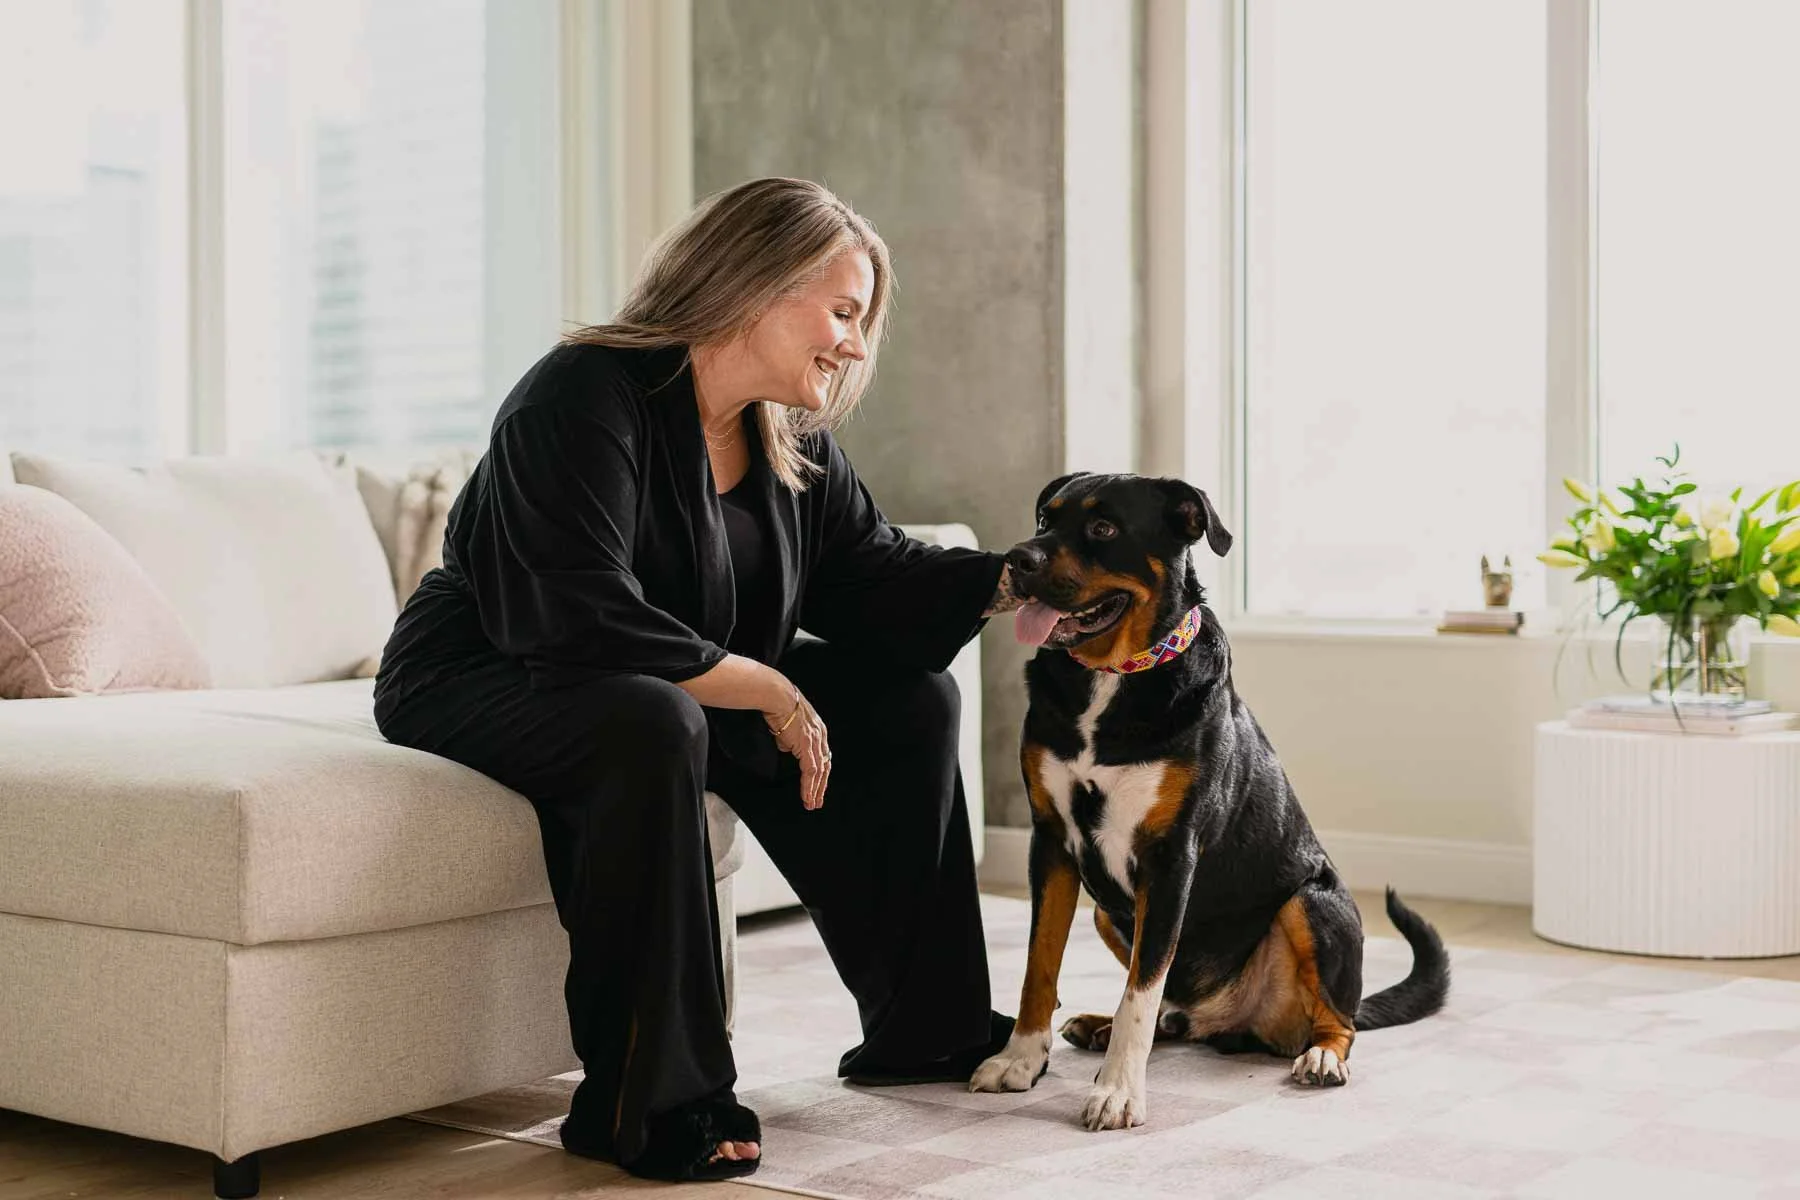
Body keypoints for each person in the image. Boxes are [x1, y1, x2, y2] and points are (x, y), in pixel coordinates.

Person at [372, 177, 1023, 1183]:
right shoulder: (582, 392)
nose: (855, 344)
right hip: (494, 664)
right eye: (843, 312)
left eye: (863, 322)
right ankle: (651, 1099)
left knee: (910, 702)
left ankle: (928, 1027)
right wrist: (764, 688)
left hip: (662, 680)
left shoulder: (788, 432)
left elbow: (872, 579)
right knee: (651, 717)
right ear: (755, 285)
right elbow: (575, 606)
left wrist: (1018, 579)